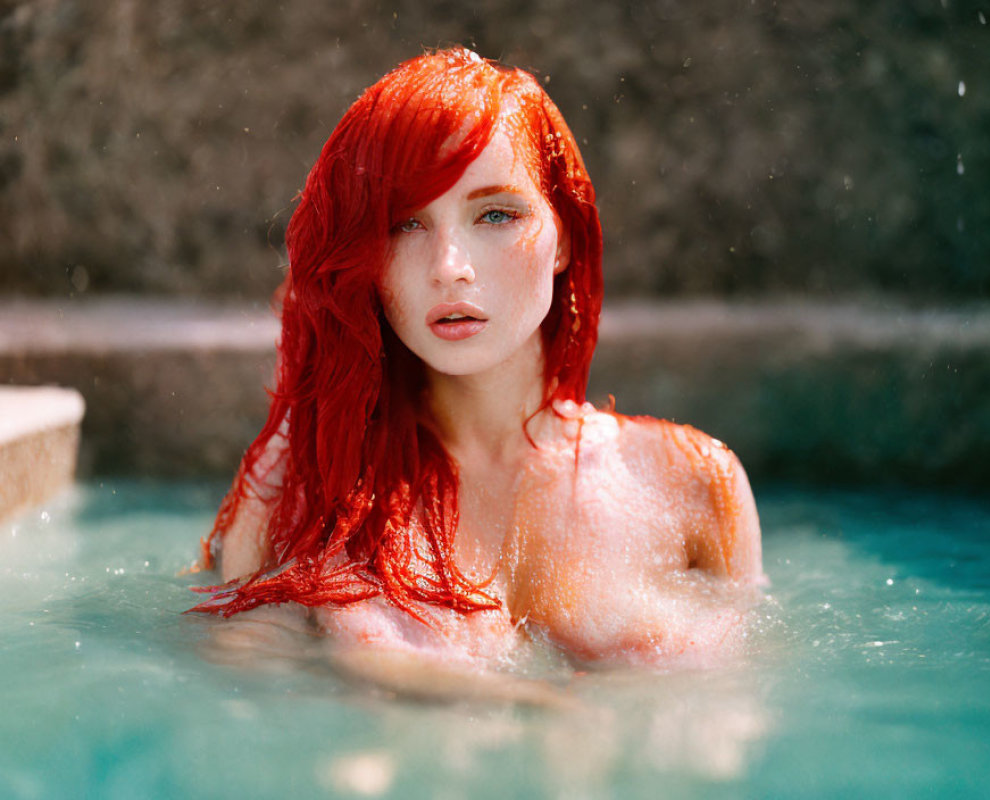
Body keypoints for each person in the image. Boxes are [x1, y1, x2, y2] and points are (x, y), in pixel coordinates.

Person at [191, 47, 764, 680]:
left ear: (564, 238)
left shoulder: (694, 482)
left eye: (496, 214)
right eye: (406, 224)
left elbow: (740, 719)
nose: (449, 266)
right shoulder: (306, 480)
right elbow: (239, 699)